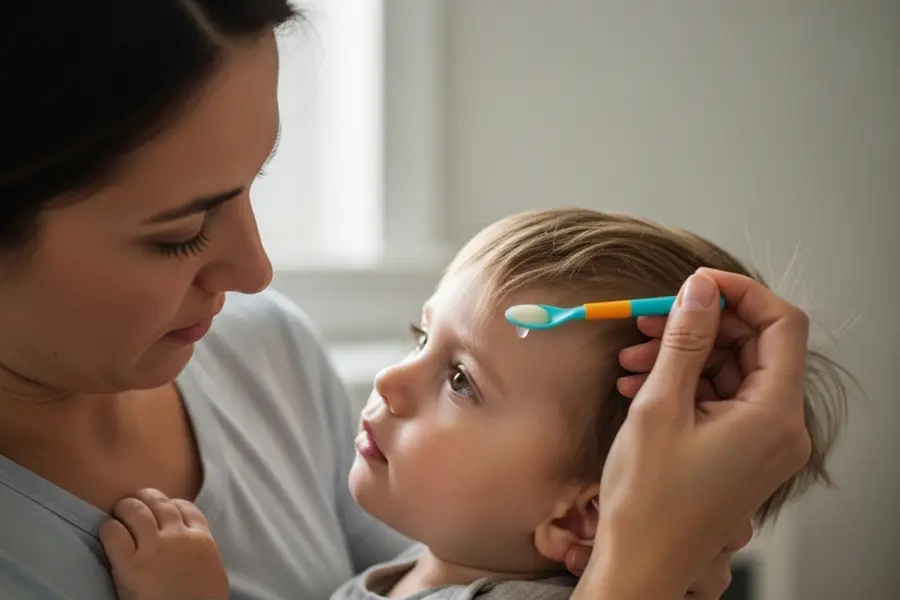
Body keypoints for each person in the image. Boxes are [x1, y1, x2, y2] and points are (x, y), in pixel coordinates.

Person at [0, 2, 822, 600]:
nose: (257, 270)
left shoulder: (267, 352)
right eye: (180, 232)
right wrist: (640, 564)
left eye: (254, 185)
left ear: (583, 517)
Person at [96, 209, 851, 600]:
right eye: (421, 337)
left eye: (460, 380)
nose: (391, 382)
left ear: (583, 515)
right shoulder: (423, 566)